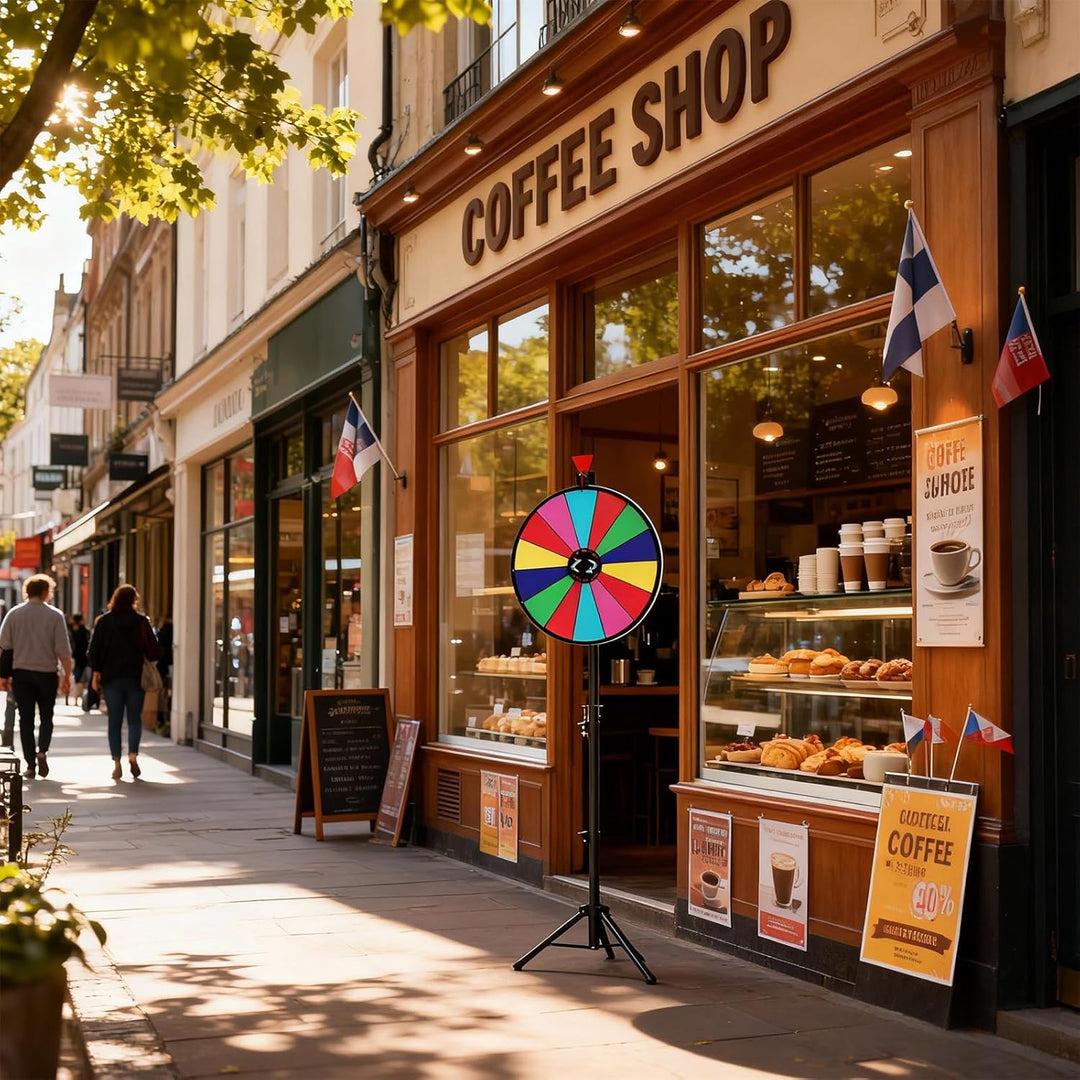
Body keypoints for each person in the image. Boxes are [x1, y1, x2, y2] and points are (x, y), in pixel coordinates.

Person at [0, 574, 73, 779]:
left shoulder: (14, 614)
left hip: (22, 674)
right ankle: (42, 751)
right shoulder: (55, 616)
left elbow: (4, 644)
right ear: (45, 592)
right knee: (47, 716)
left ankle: (30, 763)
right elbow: (63, 650)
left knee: (26, 719)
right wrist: (67, 676)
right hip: (47, 674)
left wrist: (3, 675)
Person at [88, 584, 160, 781]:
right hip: (135, 677)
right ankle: (133, 756)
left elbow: (94, 651)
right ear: (134, 600)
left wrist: (96, 674)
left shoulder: (104, 622)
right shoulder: (141, 622)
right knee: (135, 719)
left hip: (111, 678)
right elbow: (154, 650)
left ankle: (117, 762)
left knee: (115, 721)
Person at [68, 613, 90, 705]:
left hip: (75, 658)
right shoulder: (85, 631)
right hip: (84, 658)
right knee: (82, 679)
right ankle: (79, 697)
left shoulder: (70, 631)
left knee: (77, 678)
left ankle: (77, 698)